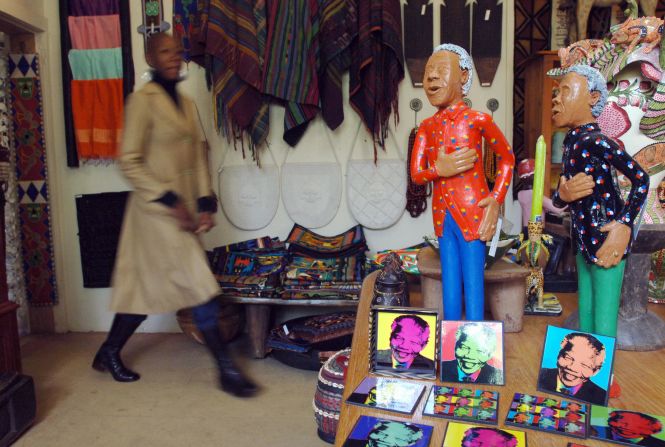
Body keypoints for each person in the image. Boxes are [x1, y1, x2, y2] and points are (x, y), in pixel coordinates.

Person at [91, 33, 257, 397]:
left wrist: (205, 202)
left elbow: (197, 155)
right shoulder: (141, 102)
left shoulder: (185, 103)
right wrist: (170, 200)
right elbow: (129, 162)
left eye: (177, 51)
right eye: (165, 52)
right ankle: (226, 371)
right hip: (154, 215)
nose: (174, 57)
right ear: (151, 57)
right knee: (198, 288)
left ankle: (107, 352)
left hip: (183, 215)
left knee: (149, 291)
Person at [410, 43, 514, 321]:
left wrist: (496, 199)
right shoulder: (426, 127)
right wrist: (438, 170)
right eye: (428, 71)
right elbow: (416, 174)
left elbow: (507, 158)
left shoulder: (478, 120)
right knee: (450, 285)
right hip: (442, 216)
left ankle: (476, 352)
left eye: (441, 70)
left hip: (474, 212)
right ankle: (450, 349)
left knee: (473, 283)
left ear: (464, 77)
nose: (431, 77)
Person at [549, 64, 649, 337]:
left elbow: (642, 178)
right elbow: (561, 198)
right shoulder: (571, 143)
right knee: (587, 312)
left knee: (604, 321)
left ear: (593, 98)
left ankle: (605, 378)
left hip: (606, 241)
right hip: (583, 241)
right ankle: (588, 375)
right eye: (556, 93)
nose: (556, 98)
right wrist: (563, 195)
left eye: (565, 91)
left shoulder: (598, 141)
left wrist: (623, 226)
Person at [538, 332, 606, 405]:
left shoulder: (601, 397)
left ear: (595, 371)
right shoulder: (541, 375)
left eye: (585, 365)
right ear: (559, 356)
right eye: (568, 358)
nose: (572, 368)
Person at [591, 410, 665, 446]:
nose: (620, 424)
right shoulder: (594, 429)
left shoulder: (660, 444)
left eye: (626, 424)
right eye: (620, 418)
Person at [345, 420, 424, 447]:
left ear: (409, 443)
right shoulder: (350, 444)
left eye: (398, 438)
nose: (385, 439)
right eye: (381, 433)